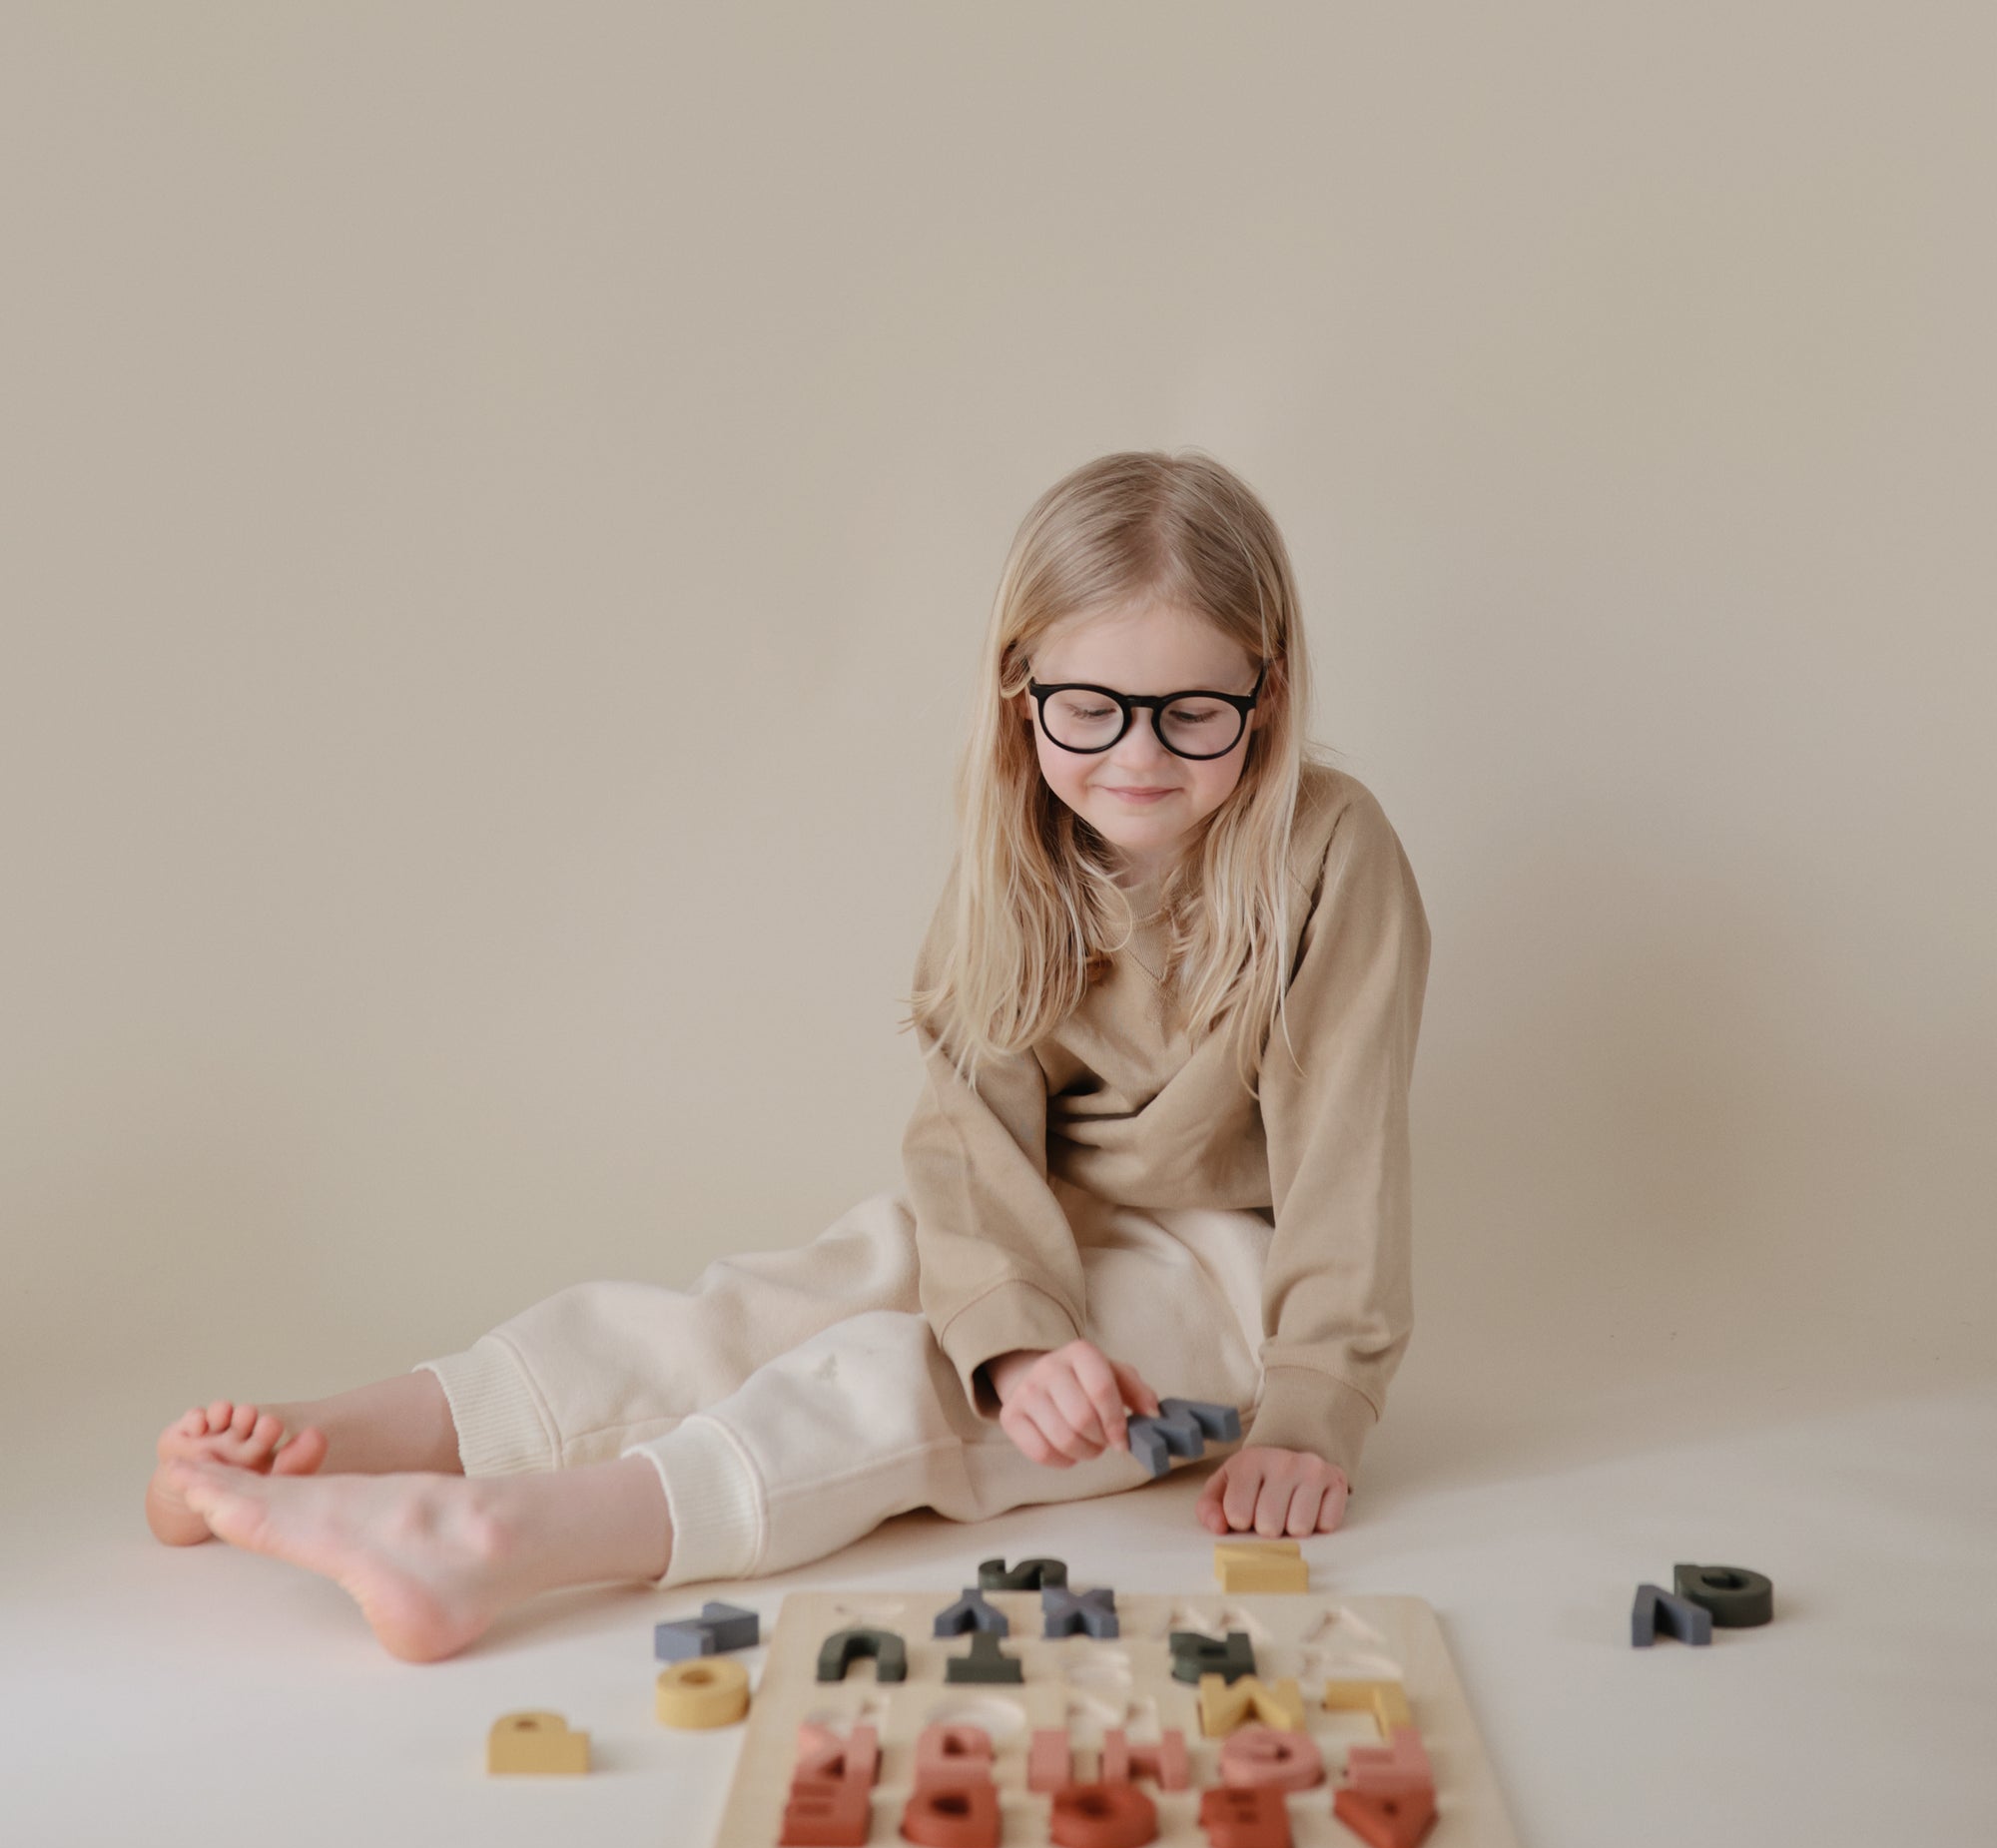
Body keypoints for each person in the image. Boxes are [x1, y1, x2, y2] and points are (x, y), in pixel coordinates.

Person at [147, 448, 1433, 1663]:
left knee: (894, 1384)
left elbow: (1346, 1151)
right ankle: (365, 1435)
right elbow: (971, 1137)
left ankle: (500, 1538)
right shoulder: (1022, 848)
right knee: (770, 1303)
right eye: (1090, 710)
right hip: (1038, 1217)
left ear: (1266, 696)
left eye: (1192, 713)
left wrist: (1313, 1405)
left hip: (1232, 1262)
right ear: (1021, 691)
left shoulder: (1331, 852)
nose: (1136, 757)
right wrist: (1018, 1333)